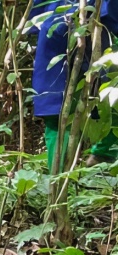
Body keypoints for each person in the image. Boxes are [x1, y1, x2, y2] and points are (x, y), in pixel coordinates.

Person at [30, 0, 118, 168]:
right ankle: (103, 154)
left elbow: (35, 19)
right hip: (86, 40)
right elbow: (112, 12)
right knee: (111, 101)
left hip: (53, 37)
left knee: (57, 114)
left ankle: (57, 181)